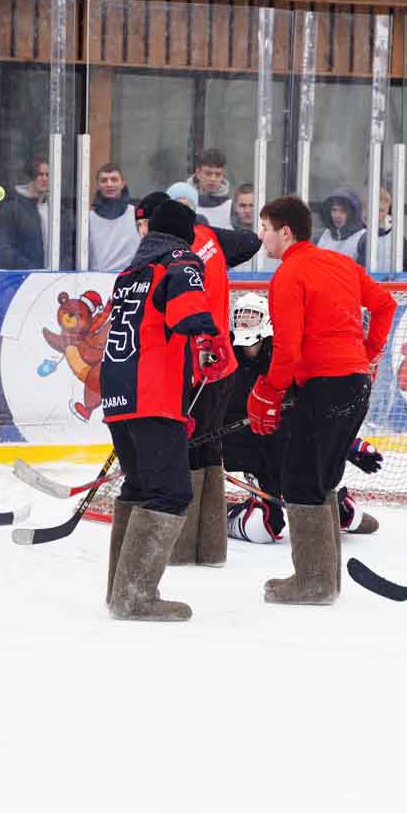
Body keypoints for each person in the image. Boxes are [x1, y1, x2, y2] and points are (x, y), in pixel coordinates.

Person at [246, 194, 396, 605]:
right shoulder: (340, 263)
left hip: (325, 386)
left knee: (299, 479)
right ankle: (324, 580)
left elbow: (288, 349)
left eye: (265, 228)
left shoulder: (289, 274)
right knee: (322, 478)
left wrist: (268, 390)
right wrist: (367, 354)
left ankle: (312, 583)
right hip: (355, 384)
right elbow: (385, 304)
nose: (262, 237)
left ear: (285, 232)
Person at [98, 196, 232, 621]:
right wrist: (209, 336)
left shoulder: (130, 271)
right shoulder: (180, 259)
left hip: (118, 394)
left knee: (138, 488)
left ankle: (118, 591)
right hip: (152, 393)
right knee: (171, 492)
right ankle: (135, 596)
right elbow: (188, 314)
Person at [139, 188, 262, 569]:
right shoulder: (212, 239)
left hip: (195, 366)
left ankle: (182, 546)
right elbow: (253, 241)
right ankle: (210, 547)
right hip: (223, 365)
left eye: (146, 225)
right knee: (209, 451)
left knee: (188, 449)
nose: (143, 234)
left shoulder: (169, 260)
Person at [222, 289, 385, 544]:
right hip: (256, 456)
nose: (244, 323)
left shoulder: (286, 360)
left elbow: (318, 410)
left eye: (252, 317)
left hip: (291, 451)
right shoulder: (227, 361)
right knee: (261, 530)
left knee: (339, 512)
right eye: (240, 317)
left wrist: (349, 445)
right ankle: (227, 513)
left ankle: (342, 506)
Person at [0, 158, 69, 269]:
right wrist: (29, 268)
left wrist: (63, 270)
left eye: (48, 175)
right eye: (40, 174)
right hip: (23, 279)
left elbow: (68, 247)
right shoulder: (13, 209)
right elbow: (3, 249)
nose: (45, 178)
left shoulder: (59, 211)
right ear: (30, 177)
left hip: (56, 279)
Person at [87, 161, 138, 272]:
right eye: (104, 180)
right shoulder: (87, 219)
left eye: (114, 179)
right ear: (98, 185)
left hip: (128, 282)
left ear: (123, 183)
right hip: (94, 283)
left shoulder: (136, 215)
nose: (109, 184)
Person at [313, 188, 366, 260]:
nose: (337, 215)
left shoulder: (363, 239)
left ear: (352, 213)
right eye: (334, 210)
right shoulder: (321, 237)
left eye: (343, 211)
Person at [190, 149, 235, 229]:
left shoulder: (231, 206)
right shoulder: (183, 200)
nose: (213, 179)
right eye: (208, 173)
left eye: (218, 174)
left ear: (223, 175)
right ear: (198, 173)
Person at [373, 186, 407, 271]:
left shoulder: (397, 238)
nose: (378, 214)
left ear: (388, 209)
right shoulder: (361, 234)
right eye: (374, 209)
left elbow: (406, 269)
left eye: (381, 210)